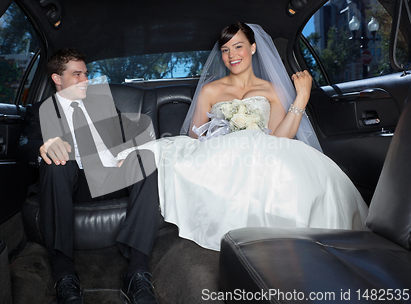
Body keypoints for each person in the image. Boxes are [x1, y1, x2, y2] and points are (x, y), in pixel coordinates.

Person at [116, 23, 369, 251]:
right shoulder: (211, 89)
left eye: (238, 46)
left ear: (253, 47)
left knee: (297, 178)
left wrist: (301, 98)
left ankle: (299, 248)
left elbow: (281, 136)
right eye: (225, 50)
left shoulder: (271, 89)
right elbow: (194, 138)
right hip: (221, 157)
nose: (231, 55)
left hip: (262, 153)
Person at [32, 48, 160, 304]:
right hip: (75, 182)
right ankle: (64, 274)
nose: (85, 80)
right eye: (76, 74)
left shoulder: (102, 103)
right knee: (57, 162)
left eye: (86, 74)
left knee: (144, 159)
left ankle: (137, 272)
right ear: (57, 78)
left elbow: (133, 134)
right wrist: (43, 145)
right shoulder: (42, 110)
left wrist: (128, 151)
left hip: (112, 175)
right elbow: (24, 141)